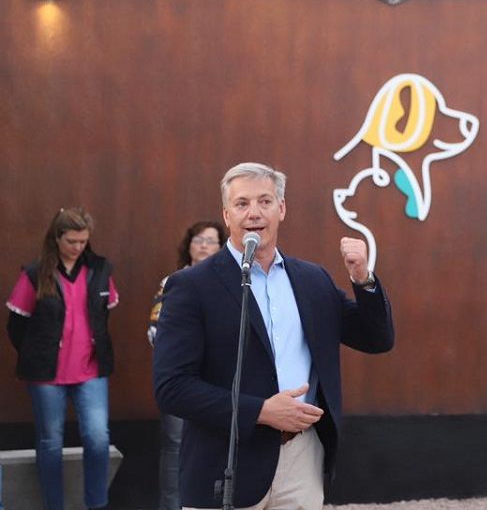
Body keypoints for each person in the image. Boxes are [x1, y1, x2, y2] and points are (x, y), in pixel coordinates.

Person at [153, 162, 394, 510]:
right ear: (226, 214)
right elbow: (171, 388)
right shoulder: (192, 286)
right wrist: (261, 411)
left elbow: (377, 339)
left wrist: (363, 279)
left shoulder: (312, 280)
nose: (254, 213)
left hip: (301, 457)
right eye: (242, 204)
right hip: (225, 461)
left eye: (265, 201)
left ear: (281, 209)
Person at [5, 207, 119, 510]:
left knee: (97, 437)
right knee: (50, 442)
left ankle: (97, 504)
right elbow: (16, 326)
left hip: (91, 369)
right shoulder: (35, 273)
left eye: (83, 241)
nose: (78, 247)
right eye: (71, 241)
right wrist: (38, 353)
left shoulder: (101, 269)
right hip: (47, 376)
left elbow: (103, 315)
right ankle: (53, 505)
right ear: (56, 238)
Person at [148, 220, 226, 510]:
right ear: (189, 246)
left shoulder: (232, 282)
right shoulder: (172, 282)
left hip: (220, 382)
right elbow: (155, 330)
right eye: (198, 240)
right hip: (182, 378)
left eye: (210, 240)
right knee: (175, 445)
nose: (204, 245)